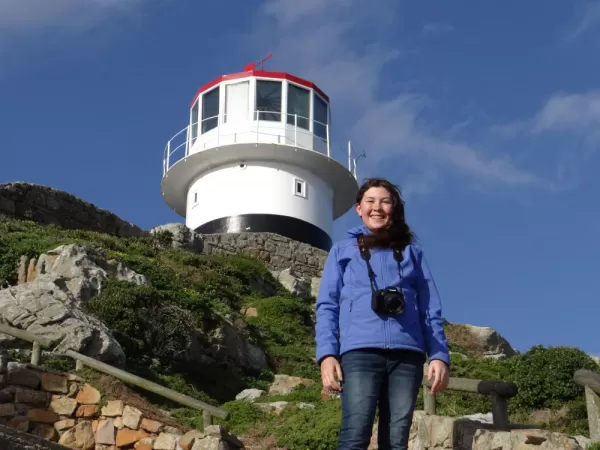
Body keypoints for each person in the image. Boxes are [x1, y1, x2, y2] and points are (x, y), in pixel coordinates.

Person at [315, 177, 451, 450]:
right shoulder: (342, 251)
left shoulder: (412, 253)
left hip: (407, 356)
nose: (377, 208)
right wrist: (327, 354)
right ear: (358, 208)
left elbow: (429, 309)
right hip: (359, 352)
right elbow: (327, 305)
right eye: (370, 201)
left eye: (385, 201)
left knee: (396, 442)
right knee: (355, 436)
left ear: (395, 208)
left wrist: (438, 354)